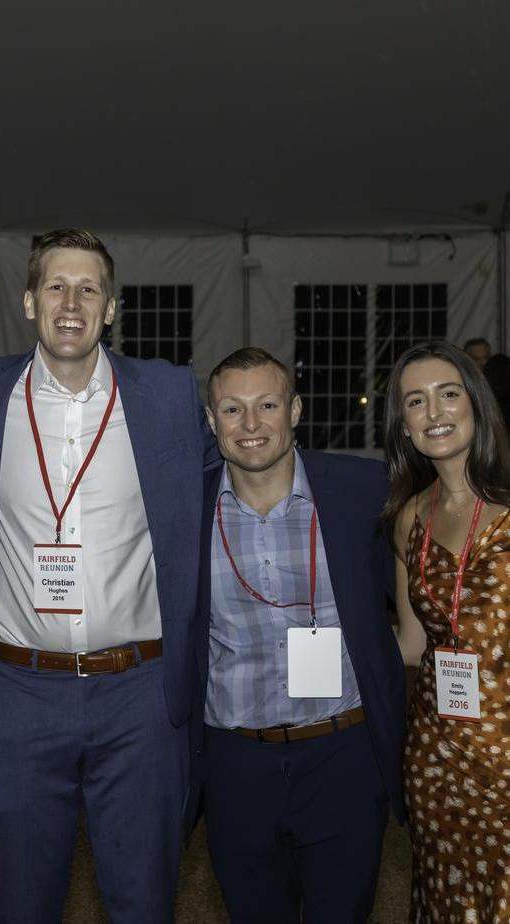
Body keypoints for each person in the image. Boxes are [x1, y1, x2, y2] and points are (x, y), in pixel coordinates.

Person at [0, 228, 217, 922]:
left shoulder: (167, 395)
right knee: (24, 899)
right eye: (56, 286)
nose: (72, 302)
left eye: (89, 288)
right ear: (29, 301)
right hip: (20, 691)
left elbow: (231, 479)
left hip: (139, 696)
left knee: (144, 899)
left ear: (111, 307)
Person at [193, 347, 405, 922]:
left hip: (345, 753)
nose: (252, 424)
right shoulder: (185, 508)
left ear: (295, 410)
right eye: (232, 410)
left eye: (267, 405)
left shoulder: (363, 490)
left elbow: (421, 595)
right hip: (236, 761)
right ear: (211, 421)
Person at [385, 341, 510, 922]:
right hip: (437, 757)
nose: (434, 412)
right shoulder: (411, 516)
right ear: (404, 426)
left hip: (506, 754)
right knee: (448, 900)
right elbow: (411, 644)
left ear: (476, 405)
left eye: (448, 393)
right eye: (416, 401)